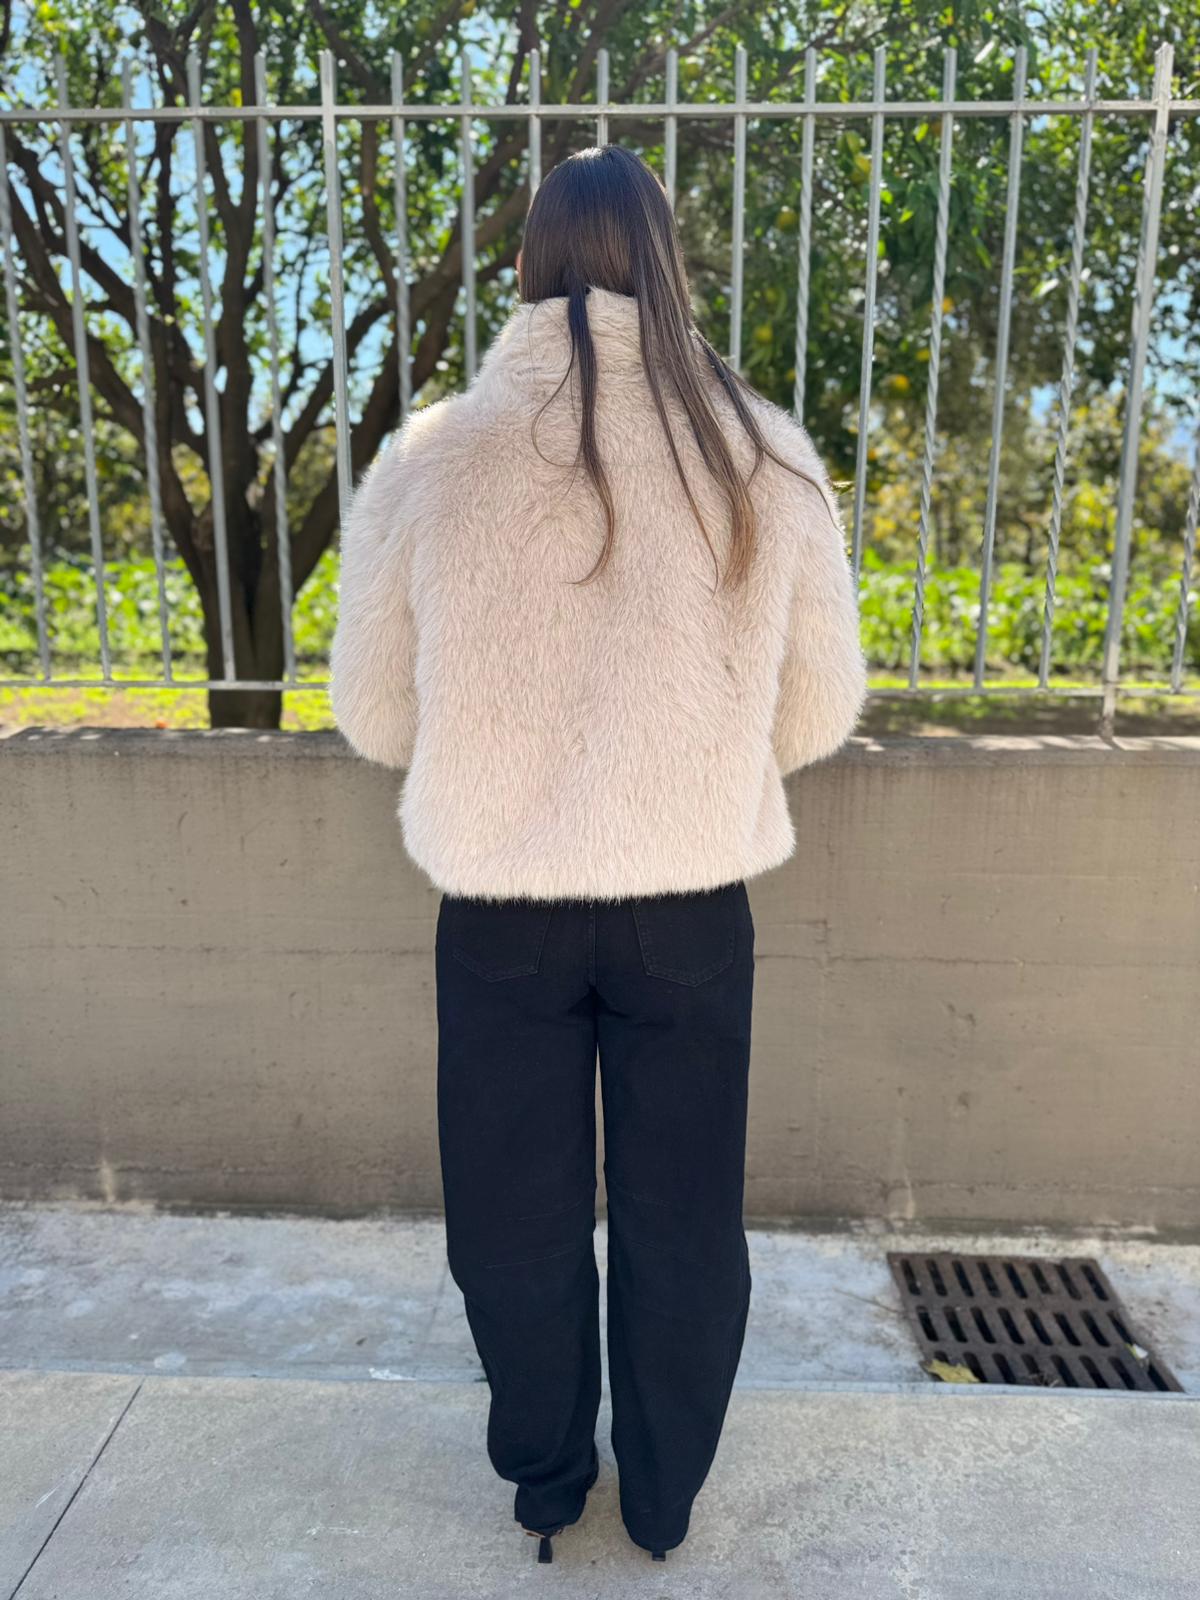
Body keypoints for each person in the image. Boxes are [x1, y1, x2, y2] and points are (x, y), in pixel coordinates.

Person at [330, 144, 866, 1566]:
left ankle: (548, 1477)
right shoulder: (759, 452)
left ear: (530, 263)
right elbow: (817, 711)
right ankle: (668, 1494)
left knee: (511, 1210)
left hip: (502, 902)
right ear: (664, 263)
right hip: (687, 898)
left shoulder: (433, 458)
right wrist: (687, 758)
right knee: (685, 1215)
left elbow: (375, 715)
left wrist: (501, 741)